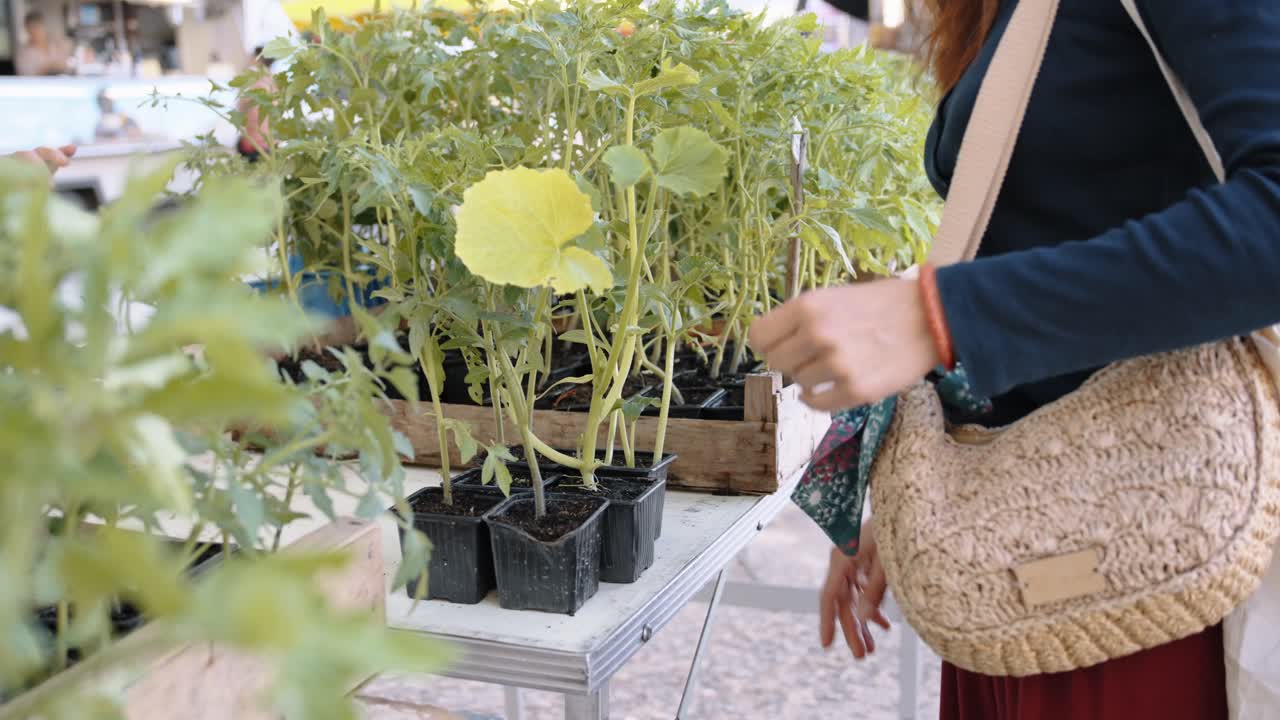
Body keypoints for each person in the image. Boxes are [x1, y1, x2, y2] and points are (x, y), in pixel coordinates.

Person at [750, 1, 1280, 718]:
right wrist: (941, 489)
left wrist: (940, 317)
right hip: (1032, 535)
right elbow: (1032, 236)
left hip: (1149, 556)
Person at [236, 47, 275, 163]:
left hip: (253, 143)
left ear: (257, 59)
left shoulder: (253, 84)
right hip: (270, 143)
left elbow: (240, 110)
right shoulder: (274, 81)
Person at [16, 12, 72, 77]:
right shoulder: (23, 54)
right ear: (26, 29)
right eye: (31, 28)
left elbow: (70, 63)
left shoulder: (58, 43)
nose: (35, 32)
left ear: (44, 26)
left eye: (37, 27)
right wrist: (48, 68)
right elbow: (26, 78)